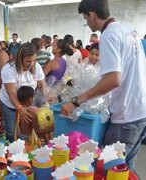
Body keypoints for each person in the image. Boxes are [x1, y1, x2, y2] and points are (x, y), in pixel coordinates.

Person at [61, 0, 146, 170]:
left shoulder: (109, 35)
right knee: (125, 168)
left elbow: (113, 79)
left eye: (86, 18)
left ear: (92, 15)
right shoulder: (129, 31)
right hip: (140, 110)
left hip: (126, 115)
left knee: (108, 167)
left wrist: (77, 100)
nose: (87, 23)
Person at [0, 42, 45, 142]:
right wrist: (20, 108)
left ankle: (23, 147)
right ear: (20, 59)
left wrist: (45, 102)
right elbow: (11, 92)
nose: (31, 64)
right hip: (10, 103)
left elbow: (41, 86)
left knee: (28, 126)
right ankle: (10, 149)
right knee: (11, 130)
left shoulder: (36, 67)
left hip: (28, 102)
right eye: (27, 61)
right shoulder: (8, 69)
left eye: (33, 60)